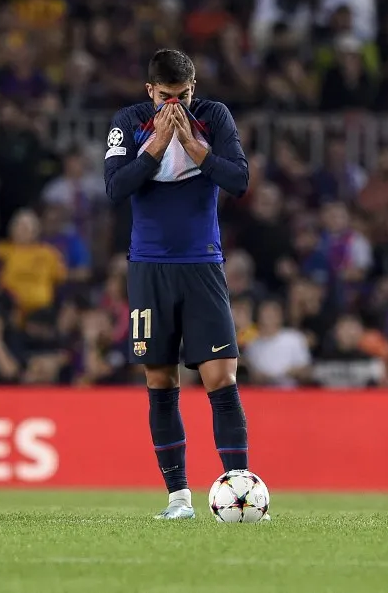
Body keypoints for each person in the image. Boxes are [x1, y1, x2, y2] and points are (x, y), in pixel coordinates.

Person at [103, 49, 265, 520]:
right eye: (167, 97)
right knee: (160, 378)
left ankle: (241, 491)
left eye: (185, 96)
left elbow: (239, 179)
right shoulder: (129, 122)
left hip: (202, 264)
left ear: (195, 89)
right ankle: (179, 499)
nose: (176, 107)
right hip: (149, 266)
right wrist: (154, 145)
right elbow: (116, 187)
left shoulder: (213, 118)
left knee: (221, 377)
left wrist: (196, 149)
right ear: (150, 91)